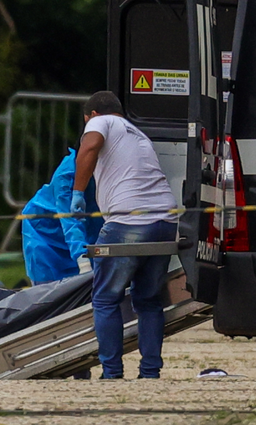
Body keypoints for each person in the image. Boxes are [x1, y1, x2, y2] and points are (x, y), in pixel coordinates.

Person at [71, 91, 178, 380]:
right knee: (149, 301)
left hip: (128, 221)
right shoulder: (138, 134)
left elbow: (90, 147)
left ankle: (112, 373)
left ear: (92, 114)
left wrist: (78, 192)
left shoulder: (100, 122)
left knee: (106, 298)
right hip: (166, 221)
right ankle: (150, 372)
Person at [21, 148, 102, 285]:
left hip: (88, 230)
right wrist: (83, 260)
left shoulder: (107, 166)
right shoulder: (66, 174)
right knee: (49, 292)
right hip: (45, 233)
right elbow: (70, 220)